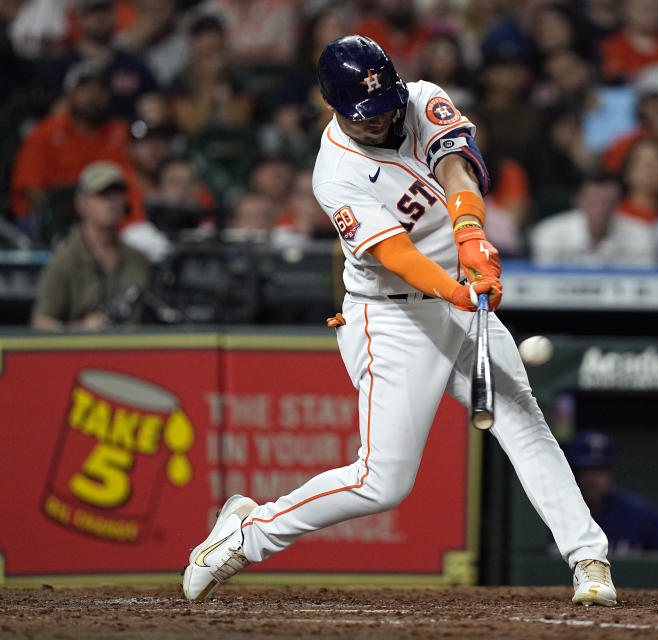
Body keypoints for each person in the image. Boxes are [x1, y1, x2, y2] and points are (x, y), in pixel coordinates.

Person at [181, 35, 617, 607]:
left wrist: (471, 237)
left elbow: (458, 170)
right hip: (390, 319)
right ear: (330, 104)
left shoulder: (421, 99)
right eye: (366, 113)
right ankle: (248, 532)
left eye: (385, 102)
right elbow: (397, 257)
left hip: (455, 291)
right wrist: (455, 291)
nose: (381, 117)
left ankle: (589, 559)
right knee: (381, 482)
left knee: (523, 419)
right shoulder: (334, 171)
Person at [31, 161, 152, 330]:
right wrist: (79, 329)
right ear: (82, 203)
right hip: (80, 353)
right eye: (102, 194)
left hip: (131, 351)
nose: (110, 201)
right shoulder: (66, 259)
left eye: (116, 193)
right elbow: (40, 322)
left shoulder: (139, 260)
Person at [10, 60, 131, 222]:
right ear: (69, 95)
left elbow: (134, 184)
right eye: (84, 89)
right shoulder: (44, 133)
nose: (93, 95)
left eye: (100, 89)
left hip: (111, 216)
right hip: (52, 219)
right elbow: (32, 190)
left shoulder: (121, 133)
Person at [565, 431, 658, 555]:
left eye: (601, 470)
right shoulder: (556, 511)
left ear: (611, 474)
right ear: (573, 473)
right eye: (586, 470)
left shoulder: (638, 514)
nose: (593, 479)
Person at [53, 0, 159, 121]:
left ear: (115, 14)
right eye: (92, 12)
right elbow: (52, 116)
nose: (99, 18)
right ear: (78, 18)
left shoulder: (134, 64)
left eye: (105, 11)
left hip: (125, 136)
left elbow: (155, 105)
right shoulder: (62, 65)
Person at [529, 172, 657, 268]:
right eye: (592, 202)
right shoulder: (550, 234)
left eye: (607, 202)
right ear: (578, 201)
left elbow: (646, 285)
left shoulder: (640, 235)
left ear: (618, 204)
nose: (600, 209)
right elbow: (544, 285)